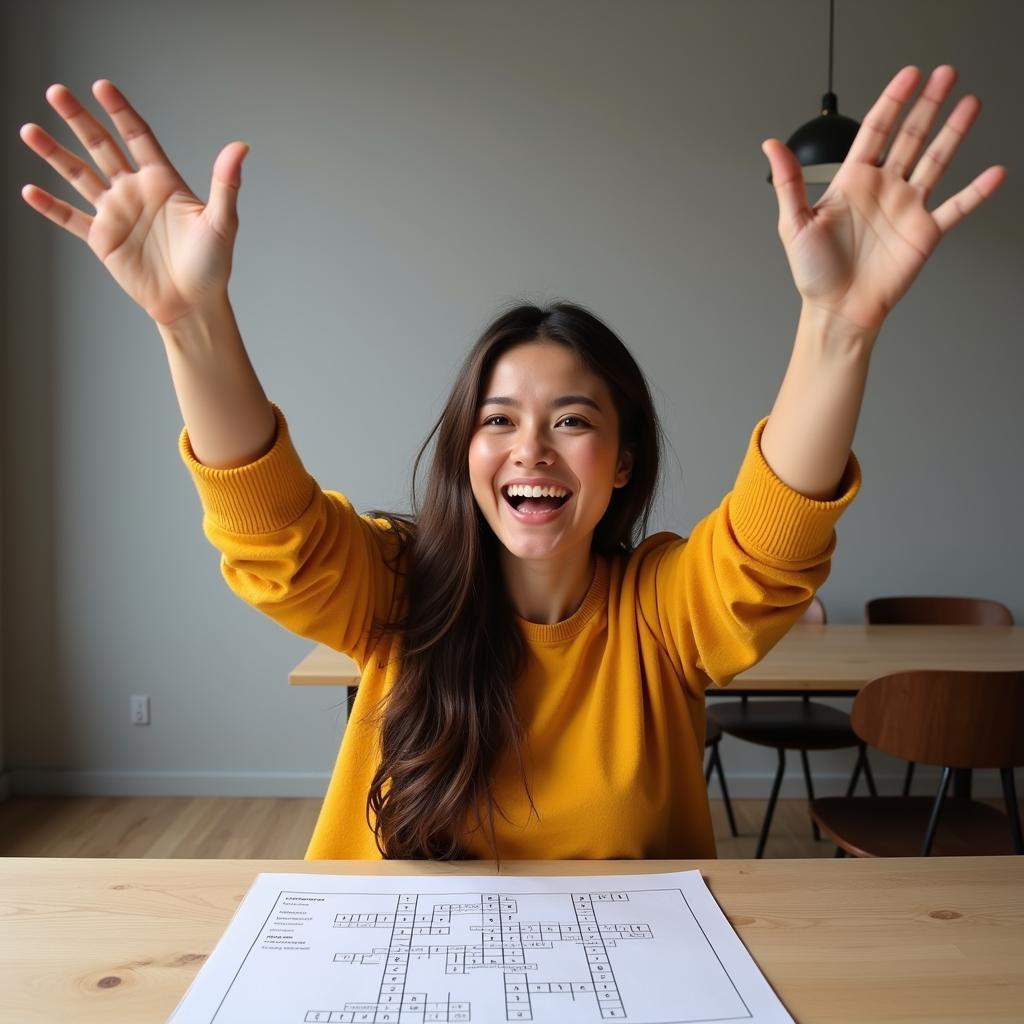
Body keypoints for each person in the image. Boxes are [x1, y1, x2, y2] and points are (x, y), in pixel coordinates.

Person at [18, 67, 1005, 863]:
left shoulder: (664, 610)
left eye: (572, 420)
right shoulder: (394, 590)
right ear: (466, 451)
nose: (530, 446)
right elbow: (271, 531)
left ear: (621, 463)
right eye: (498, 420)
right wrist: (192, 321)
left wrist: (836, 327)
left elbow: (769, 541)